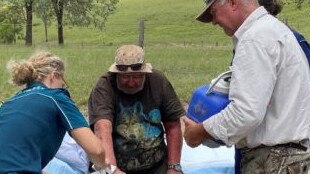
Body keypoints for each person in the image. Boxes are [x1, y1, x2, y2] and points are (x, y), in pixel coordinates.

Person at [183, 0, 310, 173]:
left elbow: (246, 112)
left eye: (213, 12)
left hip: (271, 161)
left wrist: (201, 131)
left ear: (233, 2)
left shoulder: (254, 38)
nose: (214, 21)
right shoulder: (276, 30)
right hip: (291, 157)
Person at [0, 51, 107, 173]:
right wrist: (104, 166)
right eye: (63, 83)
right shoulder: (55, 97)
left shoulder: (9, 103)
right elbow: (96, 150)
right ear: (53, 75)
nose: (63, 87)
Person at [88, 45, 185, 174]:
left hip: (157, 164)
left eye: (137, 77)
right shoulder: (104, 86)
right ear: (116, 73)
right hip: (117, 165)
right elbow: (102, 128)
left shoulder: (158, 81)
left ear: (145, 72)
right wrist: (112, 170)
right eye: (125, 77)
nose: (131, 82)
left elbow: (173, 125)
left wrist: (173, 167)